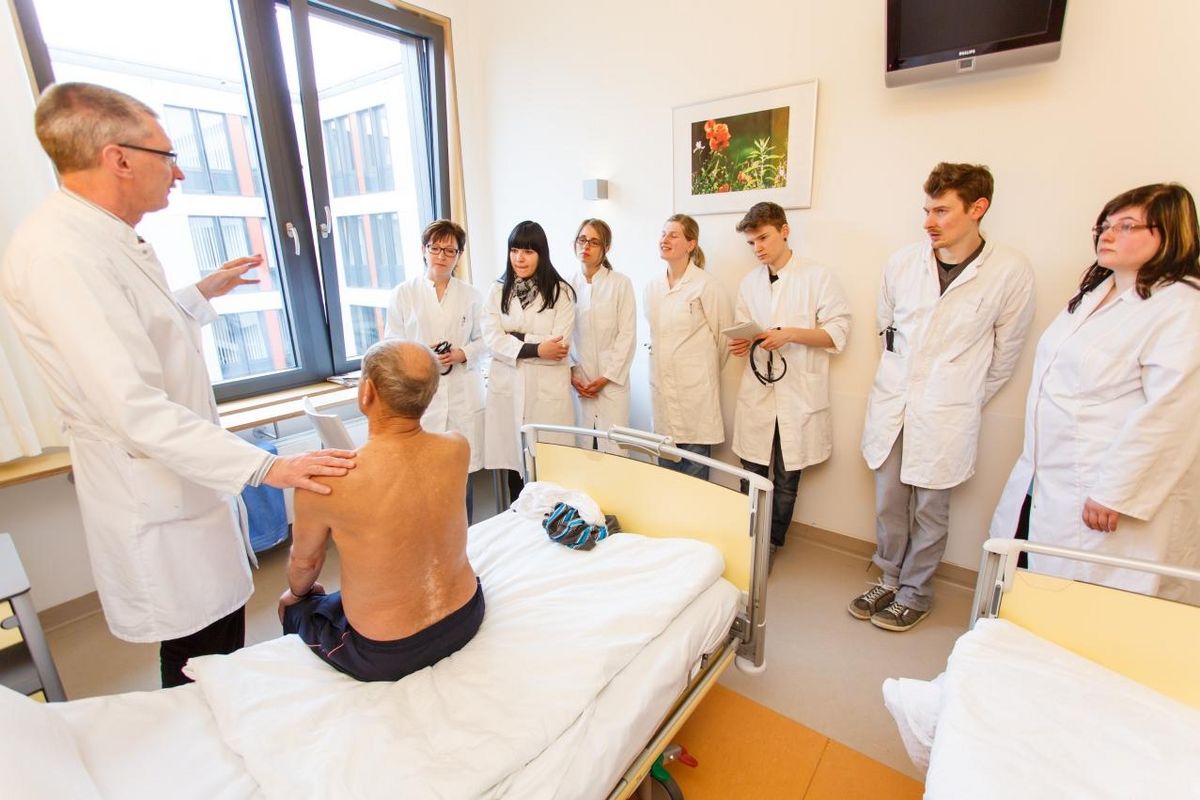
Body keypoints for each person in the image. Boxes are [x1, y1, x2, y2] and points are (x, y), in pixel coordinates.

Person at [0, 82, 355, 687]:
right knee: (198, 658)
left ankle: (231, 725)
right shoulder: (61, 255)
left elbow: (140, 329)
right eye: (167, 156)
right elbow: (132, 407)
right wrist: (270, 468)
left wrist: (200, 292)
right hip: (153, 492)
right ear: (119, 158)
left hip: (183, 483)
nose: (180, 172)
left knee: (219, 639)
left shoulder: (105, 237)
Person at [991, 183, 1200, 603]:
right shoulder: (1096, 293)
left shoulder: (1180, 306)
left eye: (1126, 226)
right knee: (1030, 579)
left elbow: (1171, 414)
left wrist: (1115, 491)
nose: (1107, 235)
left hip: (1102, 491)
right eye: (1104, 225)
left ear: (1171, 233)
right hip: (1048, 474)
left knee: (1088, 600)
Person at [852, 163, 1035, 632]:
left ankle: (916, 591)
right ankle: (889, 577)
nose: (929, 221)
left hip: (947, 412)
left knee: (931, 510)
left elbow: (1005, 355)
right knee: (889, 502)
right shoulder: (902, 262)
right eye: (927, 209)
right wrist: (912, 385)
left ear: (978, 209)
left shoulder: (1010, 271)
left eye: (941, 210)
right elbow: (886, 330)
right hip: (895, 403)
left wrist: (958, 392)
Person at [279, 340, 484, 681]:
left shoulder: (328, 480)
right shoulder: (457, 447)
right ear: (431, 393)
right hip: (466, 615)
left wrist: (297, 596)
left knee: (298, 605)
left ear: (366, 392)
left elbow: (306, 564)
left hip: (387, 651)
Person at [728, 203, 850, 567]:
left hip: (798, 394)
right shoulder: (750, 283)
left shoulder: (818, 276)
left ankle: (772, 542)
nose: (758, 248)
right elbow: (745, 326)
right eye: (751, 243)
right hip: (759, 391)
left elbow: (839, 331)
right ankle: (746, 538)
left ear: (785, 230)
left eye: (763, 238)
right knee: (751, 472)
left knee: (785, 477)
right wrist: (742, 342)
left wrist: (790, 335)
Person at [384, 219, 485, 520]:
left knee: (459, 475)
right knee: (424, 479)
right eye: (435, 248)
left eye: (449, 250)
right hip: (422, 395)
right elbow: (392, 344)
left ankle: (464, 542)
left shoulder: (471, 295)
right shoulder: (404, 293)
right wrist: (423, 354)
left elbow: (485, 341)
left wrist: (461, 353)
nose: (441, 256)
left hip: (460, 392)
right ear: (424, 250)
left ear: (459, 255)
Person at [482, 221, 576, 500]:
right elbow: (492, 339)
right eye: (514, 250)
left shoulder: (561, 292)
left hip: (546, 394)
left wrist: (514, 337)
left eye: (527, 251)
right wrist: (536, 348)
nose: (519, 258)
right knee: (516, 471)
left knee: (552, 474)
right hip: (509, 391)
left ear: (541, 254)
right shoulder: (497, 290)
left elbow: (558, 343)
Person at [645, 214, 732, 480]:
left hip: (696, 395)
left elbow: (725, 340)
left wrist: (697, 371)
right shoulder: (652, 287)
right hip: (663, 391)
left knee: (694, 479)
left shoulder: (706, 285)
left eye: (673, 235)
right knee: (667, 477)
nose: (665, 240)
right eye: (663, 234)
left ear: (690, 244)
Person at [568, 219, 636, 453]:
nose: (586, 246)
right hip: (580, 383)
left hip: (611, 385)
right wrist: (572, 374)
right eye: (582, 239)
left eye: (594, 242)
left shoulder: (620, 284)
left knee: (615, 451)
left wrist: (606, 377)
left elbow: (627, 336)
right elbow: (560, 335)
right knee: (584, 452)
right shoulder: (566, 286)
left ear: (605, 248)